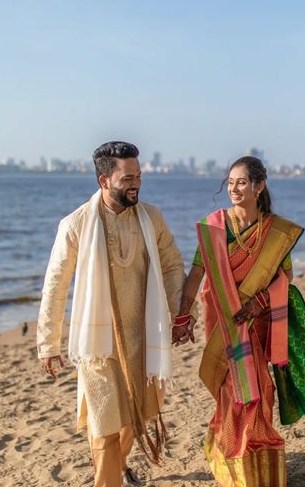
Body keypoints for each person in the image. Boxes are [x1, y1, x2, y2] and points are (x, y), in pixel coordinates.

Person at [172, 156, 305, 487]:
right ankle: (235, 459)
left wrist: (257, 303)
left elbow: (284, 277)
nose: (234, 189)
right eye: (230, 183)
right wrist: (183, 317)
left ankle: (253, 453)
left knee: (259, 388)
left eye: (241, 182)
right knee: (233, 388)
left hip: (256, 319)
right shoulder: (214, 227)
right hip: (221, 318)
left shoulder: (276, 232)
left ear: (259, 185)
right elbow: (197, 273)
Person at [37, 141, 195, 487]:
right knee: (105, 424)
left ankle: (120, 467)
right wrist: (47, 343)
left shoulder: (151, 217)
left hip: (144, 335)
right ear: (103, 180)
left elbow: (171, 265)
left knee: (138, 417)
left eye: (138, 176)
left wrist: (182, 314)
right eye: (127, 178)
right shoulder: (76, 224)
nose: (135, 183)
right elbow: (55, 285)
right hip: (98, 344)